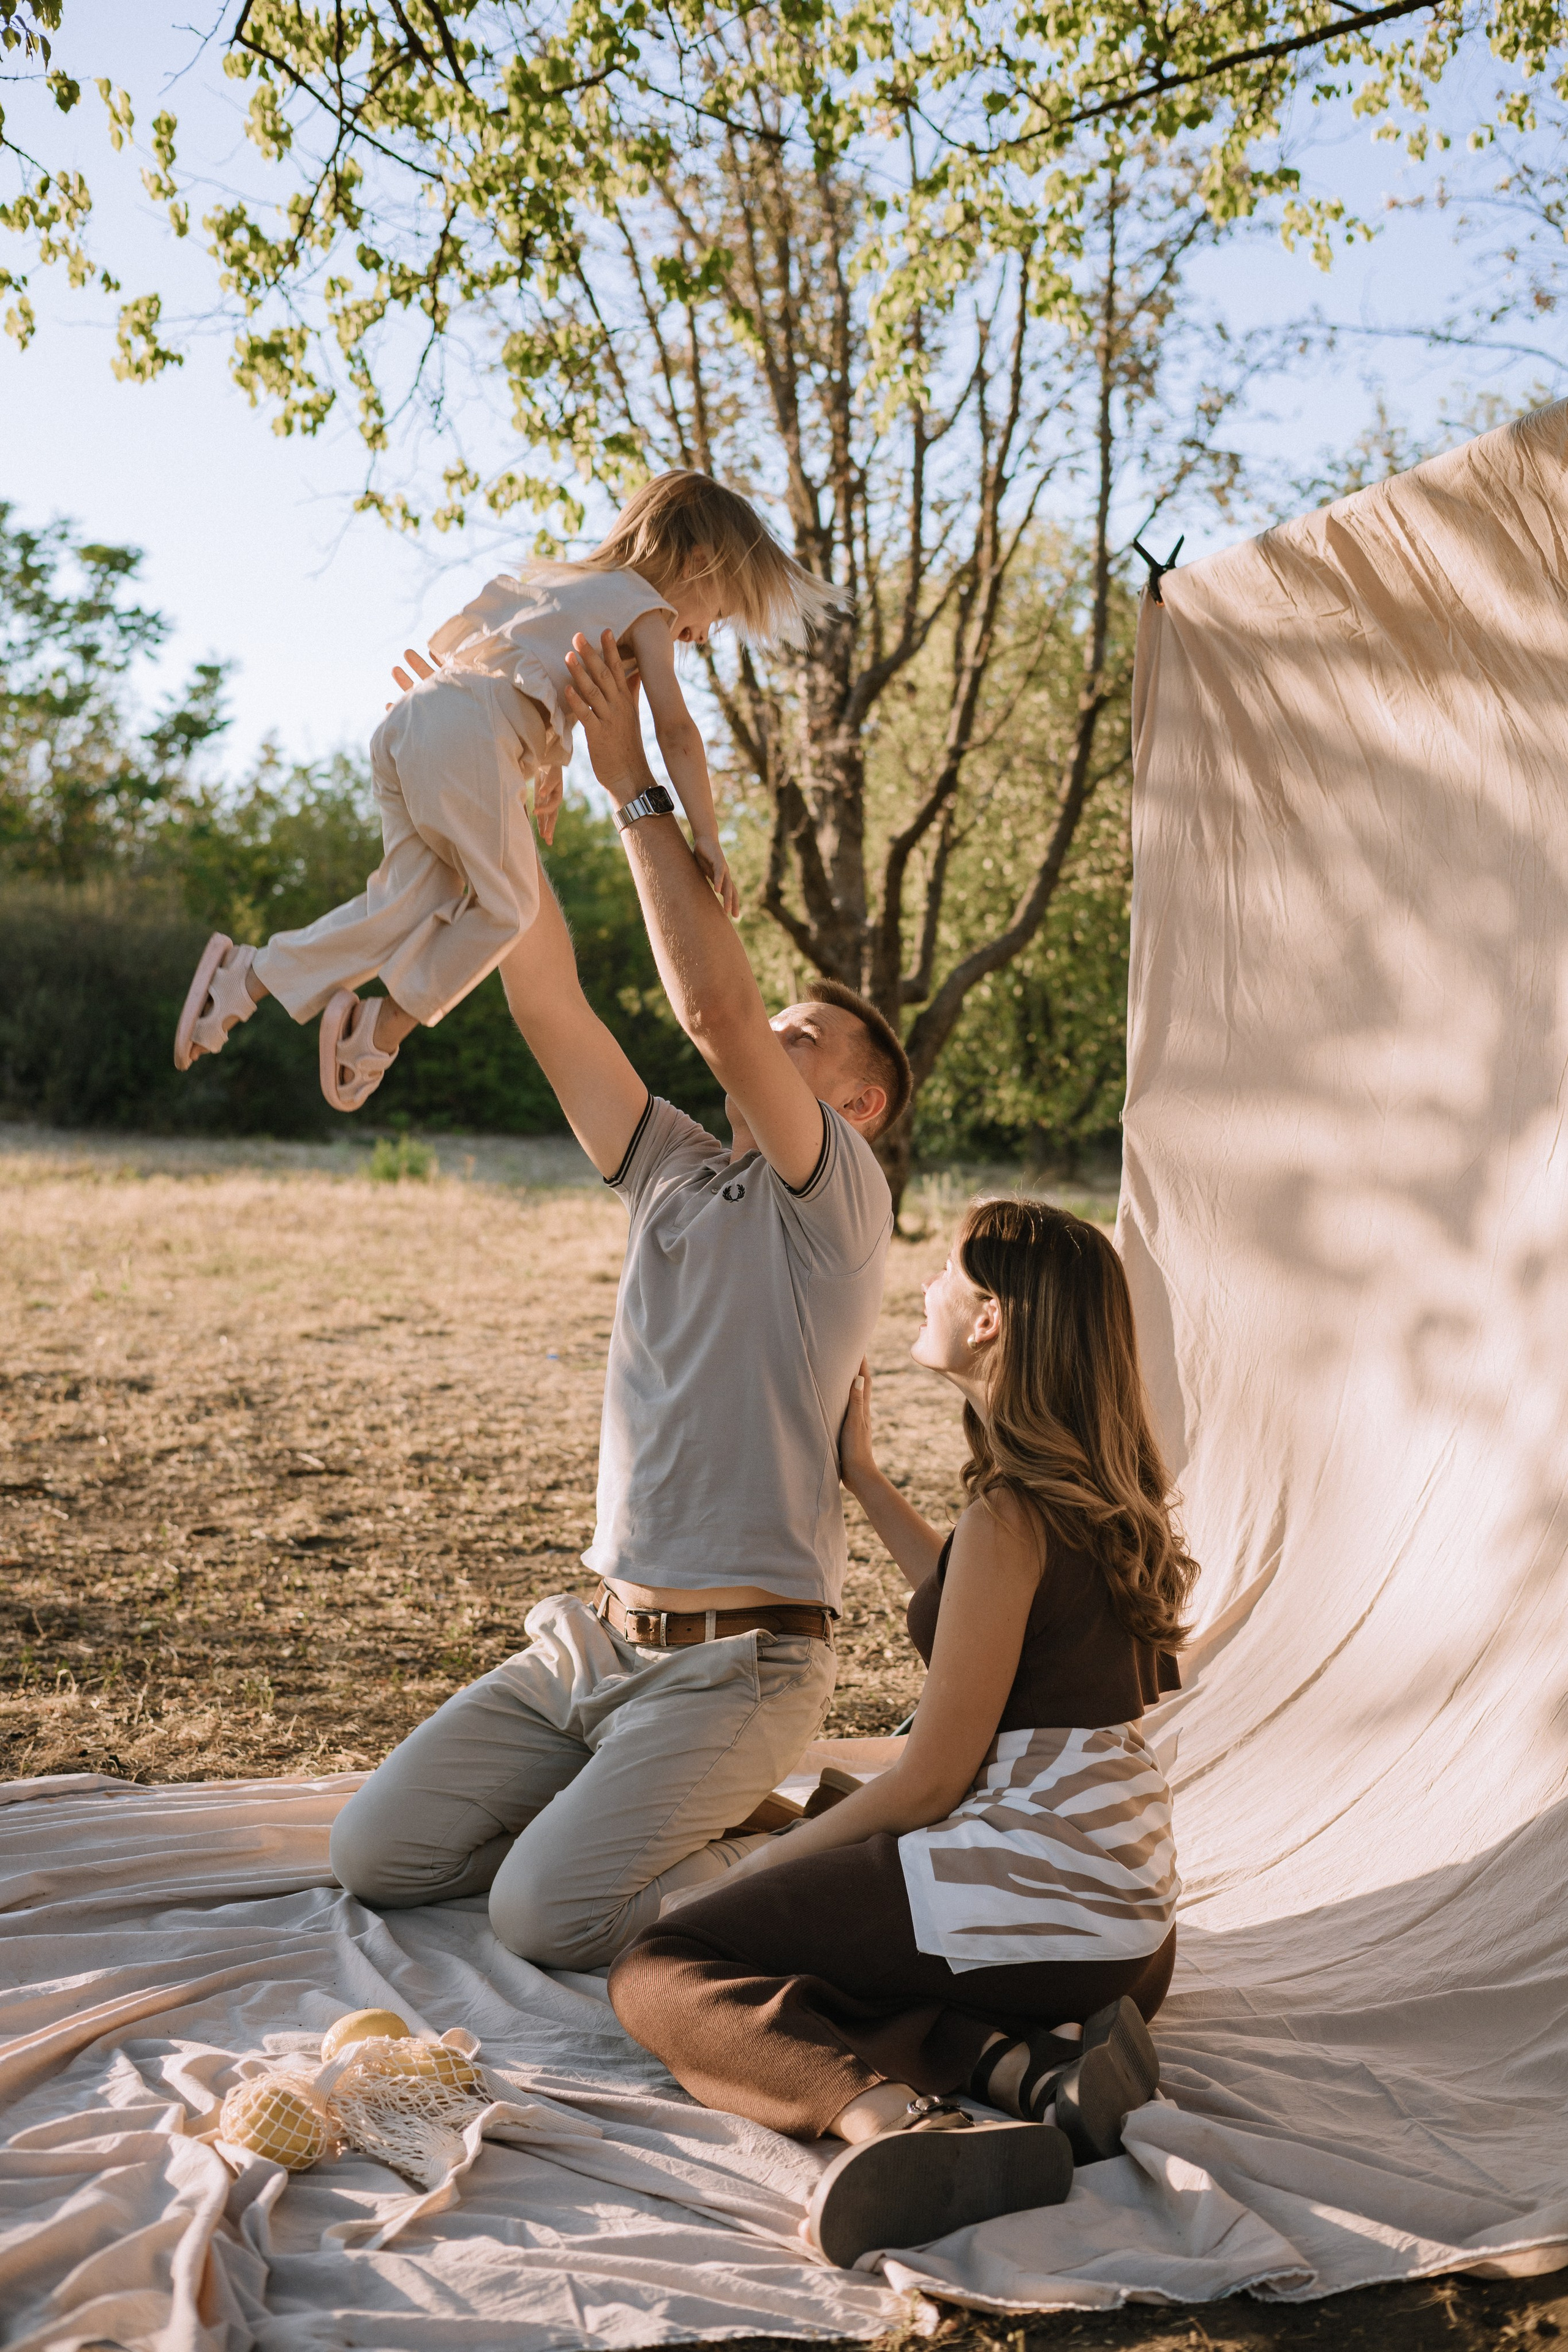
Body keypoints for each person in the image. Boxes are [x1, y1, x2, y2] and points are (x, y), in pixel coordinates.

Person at [328, 624, 910, 1971]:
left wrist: (626, 774)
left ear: (861, 1106)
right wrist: (478, 768)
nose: (771, 1035)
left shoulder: (839, 1203)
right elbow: (541, 993)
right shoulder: (668, 1167)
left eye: (804, 1038)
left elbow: (712, 1009)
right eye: (778, 1028)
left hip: (741, 1670)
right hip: (592, 1648)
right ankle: (683, 1820)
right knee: (378, 1858)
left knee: (544, 1918)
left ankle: (784, 1844)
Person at [607, 1197, 1199, 2267]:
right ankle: (1037, 2076)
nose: (926, 1284)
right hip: (1130, 1933)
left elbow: (929, 1783)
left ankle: (897, 2126)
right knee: (841, 1868)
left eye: (947, 1271)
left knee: (668, 1964)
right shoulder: (1104, 1495)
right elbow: (981, 1612)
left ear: (993, 1323)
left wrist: (758, 1875)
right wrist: (867, 1480)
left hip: (1042, 1897)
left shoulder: (1012, 1515)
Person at [171, 472, 841, 1109]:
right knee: (510, 907)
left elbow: (524, 668)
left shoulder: (572, 586)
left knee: (407, 899)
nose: (701, 634)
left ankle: (246, 978)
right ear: (697, 563)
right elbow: (678, 731)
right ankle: (380, 1027)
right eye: (717, 613)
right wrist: (708, 834)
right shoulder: (648, 610)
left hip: (418, 720)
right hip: (467, 736)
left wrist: (544, 770)